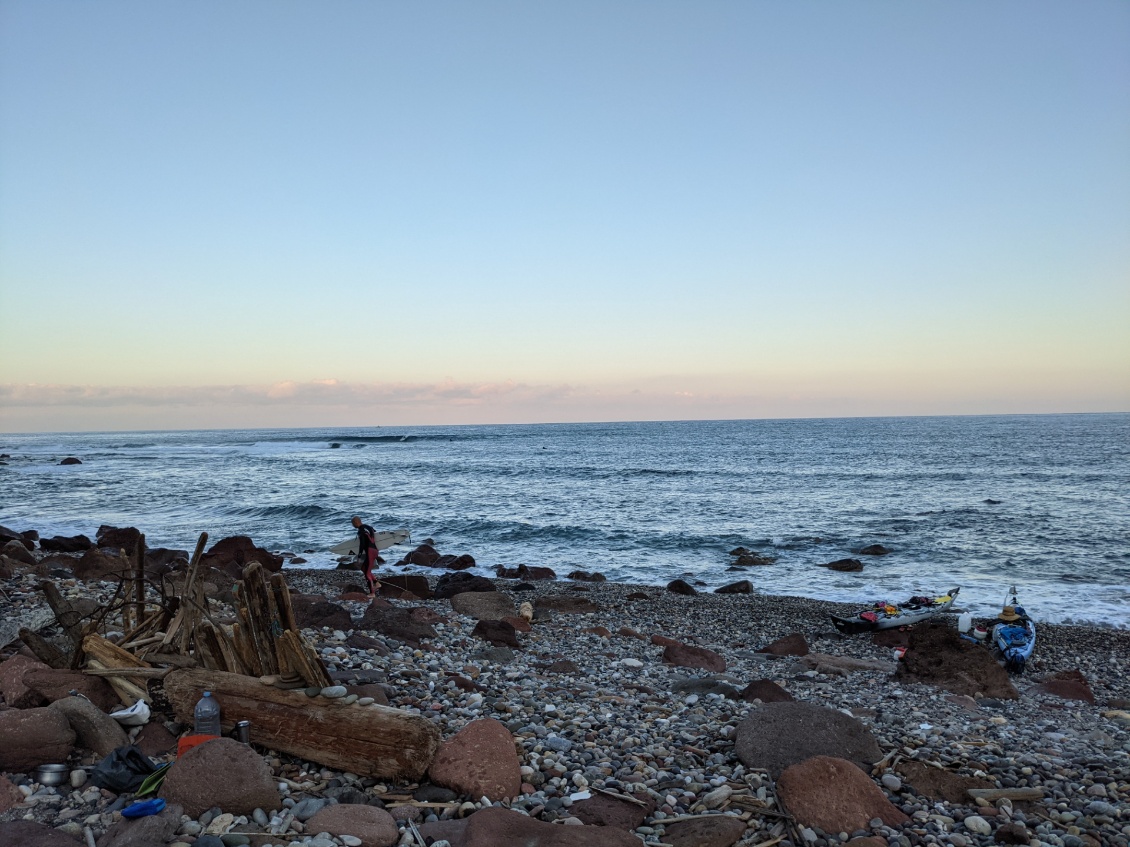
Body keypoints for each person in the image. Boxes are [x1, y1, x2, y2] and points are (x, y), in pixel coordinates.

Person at [351, 516, 383, 597]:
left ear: (355, 523)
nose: (352, 525)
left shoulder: (360, 531)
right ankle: (376, 583)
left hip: (370, 552)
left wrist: (359, 555)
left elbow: (362, 543)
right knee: (363, 568)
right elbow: (376, 535)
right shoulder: (369, 527)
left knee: (367, 573)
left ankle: (372, 593)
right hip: (375, 550)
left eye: (352, 523)